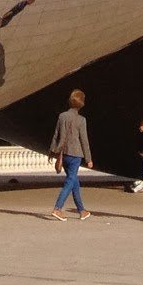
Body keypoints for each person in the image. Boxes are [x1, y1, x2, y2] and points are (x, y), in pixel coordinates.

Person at [48, 89, 94, 220]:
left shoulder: (62, 116)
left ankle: (82, 210)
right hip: (76, 154)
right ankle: (57, 208)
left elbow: (56, 134)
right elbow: (84, 140)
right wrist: (89, 158)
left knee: (74, 181)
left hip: (63, 153)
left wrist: (52, 151)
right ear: (81, 104)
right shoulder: (81, 120)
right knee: (70, 181)